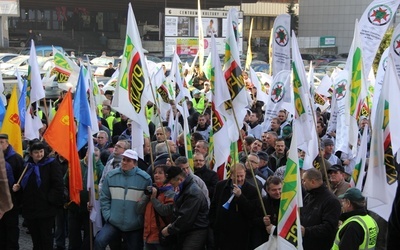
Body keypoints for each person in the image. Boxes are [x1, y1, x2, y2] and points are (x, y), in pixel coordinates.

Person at [94, 149, 152, 249]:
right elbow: (105, 198)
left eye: (128, 160)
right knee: (99, 241)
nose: (124, 162)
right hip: (114, 221)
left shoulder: (145, 179)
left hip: (134, 224)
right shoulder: (111, 176)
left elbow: (148, 202)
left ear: (135, 163)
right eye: (123, 159)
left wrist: (139, 220)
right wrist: (108, 216)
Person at [12, 141, 64, 250]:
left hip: (46, 209)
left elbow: (58, 184)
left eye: (41, 151)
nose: (39, 154)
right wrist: (18, 189)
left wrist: (50, 200)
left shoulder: (51, 164)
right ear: (31, 154)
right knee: (35, 238)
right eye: (36, 152)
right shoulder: (27, 166)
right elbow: (23, 184)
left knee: (46, 237)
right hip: (31, 209)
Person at [210, 163, 258, 250]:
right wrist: (214, 223)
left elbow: (252, 211)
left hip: (240, 234)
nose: (239, 179)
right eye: (237, 176)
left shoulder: (252, 190)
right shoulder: (220, 186)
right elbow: (214, 206)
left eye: (241, 176)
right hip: (222, 233)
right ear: (231, 175)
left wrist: (240, 197)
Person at [161, 166, 209, 250]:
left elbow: (186, 218)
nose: (172, 186)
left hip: (196, 230)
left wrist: (170, 229)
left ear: (179, 179)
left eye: (172, 183)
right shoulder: (185, 189)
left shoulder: (193, 193)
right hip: (188, 230)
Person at [67, 147, 104, 250]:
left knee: (89, 236)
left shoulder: (101, 169)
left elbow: (102, 189)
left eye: (96, 155)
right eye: (91, 154)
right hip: (74, 206)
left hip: (90, 209)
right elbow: (66, 181)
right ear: (86, 154)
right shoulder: (76, 165)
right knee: (73, 235)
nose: (93, 157)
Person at [300, 168, 341, 250]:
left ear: (313, 181)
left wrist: (307, 231)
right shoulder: (308, 196)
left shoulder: (331, 201)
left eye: (304, 181)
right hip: (305, 244)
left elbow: (329, 227)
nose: (302, 183)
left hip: (321, 245)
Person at [0, 134, 24, 250]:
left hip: (12, 201)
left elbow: (23, 178)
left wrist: (18, 188)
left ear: (7, 143)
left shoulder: (16, 159)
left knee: (11, 230)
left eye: (2, 142)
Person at [143, 165, 175, 249]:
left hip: (161, 236)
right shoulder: (152, 190)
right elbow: (138, 209)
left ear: (167, 176)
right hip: (148, 236)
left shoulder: (170, 192)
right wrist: (147, 196)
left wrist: (153, 199)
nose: (156, 175)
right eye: (155, 173)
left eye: (160, 173)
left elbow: (165, 211)